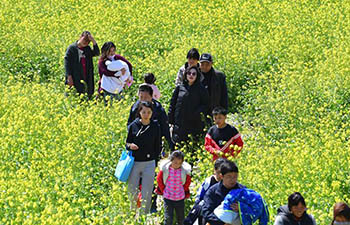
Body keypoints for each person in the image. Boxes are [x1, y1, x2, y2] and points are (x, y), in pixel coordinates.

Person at [126, 101, 161, 214]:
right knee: (132, 190)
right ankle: (132, 213)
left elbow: (158, 145)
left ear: (152, 113)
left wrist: (155, 159)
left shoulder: (155, 126)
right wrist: (130, 146)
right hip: (135, 163)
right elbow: (127, 143)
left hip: (149, 163)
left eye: (149, 112)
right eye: (144, 112)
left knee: (147, 190)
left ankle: (144, 214)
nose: (146, 114)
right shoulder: (133, 126)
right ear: (139, 112)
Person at [168, 65, 209, 144]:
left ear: (197, 76)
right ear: (185, 75)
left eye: (194, 74)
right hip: (179, 123)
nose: (191, 75)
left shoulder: (201, 89)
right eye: (189, 73)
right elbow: (172, 104)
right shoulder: (180, 88)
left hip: (194, 123)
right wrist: (170, 120)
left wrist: (196, 113)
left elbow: (206, 105)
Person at [127, 84, 174, 151]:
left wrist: (169, 144)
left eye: (146, 97)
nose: (143, 100)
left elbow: (165, 127)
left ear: (151, 97)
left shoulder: (158, 109)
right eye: (141, 97)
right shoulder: (135, 108)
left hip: (153, 142)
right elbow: (129, 124)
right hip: (138, 143)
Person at [184, 158, 228, 225]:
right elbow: (200, 196)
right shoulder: (209, 181)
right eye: (218, 172)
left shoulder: (227, 183)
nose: (220, 175)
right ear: (214, 171)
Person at [202, 160, 246, 225]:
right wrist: (222, 223)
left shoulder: (243, 190)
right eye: (229, 176)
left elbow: (254, 210)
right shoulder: (213, 191)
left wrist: (242, 208)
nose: (232, 180)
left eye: (235, 177)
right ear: (222, 176)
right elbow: (206, 212)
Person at [155, 150, 191, 225]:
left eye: (179, 163)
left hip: (180, 198)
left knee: (181, 218)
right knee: (168, 218)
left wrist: (183, 190)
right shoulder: (166, 169)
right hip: (168, 197)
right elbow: (159, 179)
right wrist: (163, 190)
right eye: (175, 163)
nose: (177, 165)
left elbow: (187, 182)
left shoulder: (184, 171)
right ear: (171, 161)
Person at [64, 31, 100, 99]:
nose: (85, 42)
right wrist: (69, 76)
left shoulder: (87, 48)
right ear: (80, 37)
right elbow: (67, 63)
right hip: (75, 76)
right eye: (84, 40)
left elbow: (97, 53)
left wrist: (93, 41)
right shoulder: (72, 48)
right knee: (74, 95)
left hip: (86, 75)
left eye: (88, 41)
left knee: (87, 93)